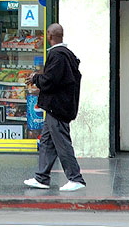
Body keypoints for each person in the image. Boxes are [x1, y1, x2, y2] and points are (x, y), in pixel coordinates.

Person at [24, 23, 86, 192]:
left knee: (62, 143)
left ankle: (75, 178)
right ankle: (42, 178)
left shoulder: (58, 55)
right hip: (57, 107)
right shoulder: (66, 54)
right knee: (46, 142)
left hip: (57, 108)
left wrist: (36, 78)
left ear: (50, 36)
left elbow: (51, 80)